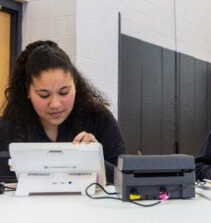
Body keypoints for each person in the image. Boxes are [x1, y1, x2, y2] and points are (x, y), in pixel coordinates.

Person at [0, 40, 126, 183]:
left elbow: (124, 178)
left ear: (75, 85)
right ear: (28, 91)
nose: (55, 104)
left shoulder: (99, 119)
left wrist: (96, 160)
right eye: (44, 95)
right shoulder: (8, 130)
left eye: (64, 92)